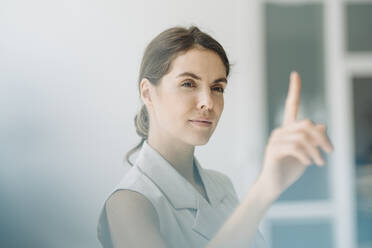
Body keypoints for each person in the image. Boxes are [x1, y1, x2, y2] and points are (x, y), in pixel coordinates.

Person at [96, 25, 334, 248]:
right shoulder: (129, 202)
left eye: (217, 88)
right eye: (188, 84)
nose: (208, 102)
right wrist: (265, 187)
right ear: (148, 93)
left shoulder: (222, 186)